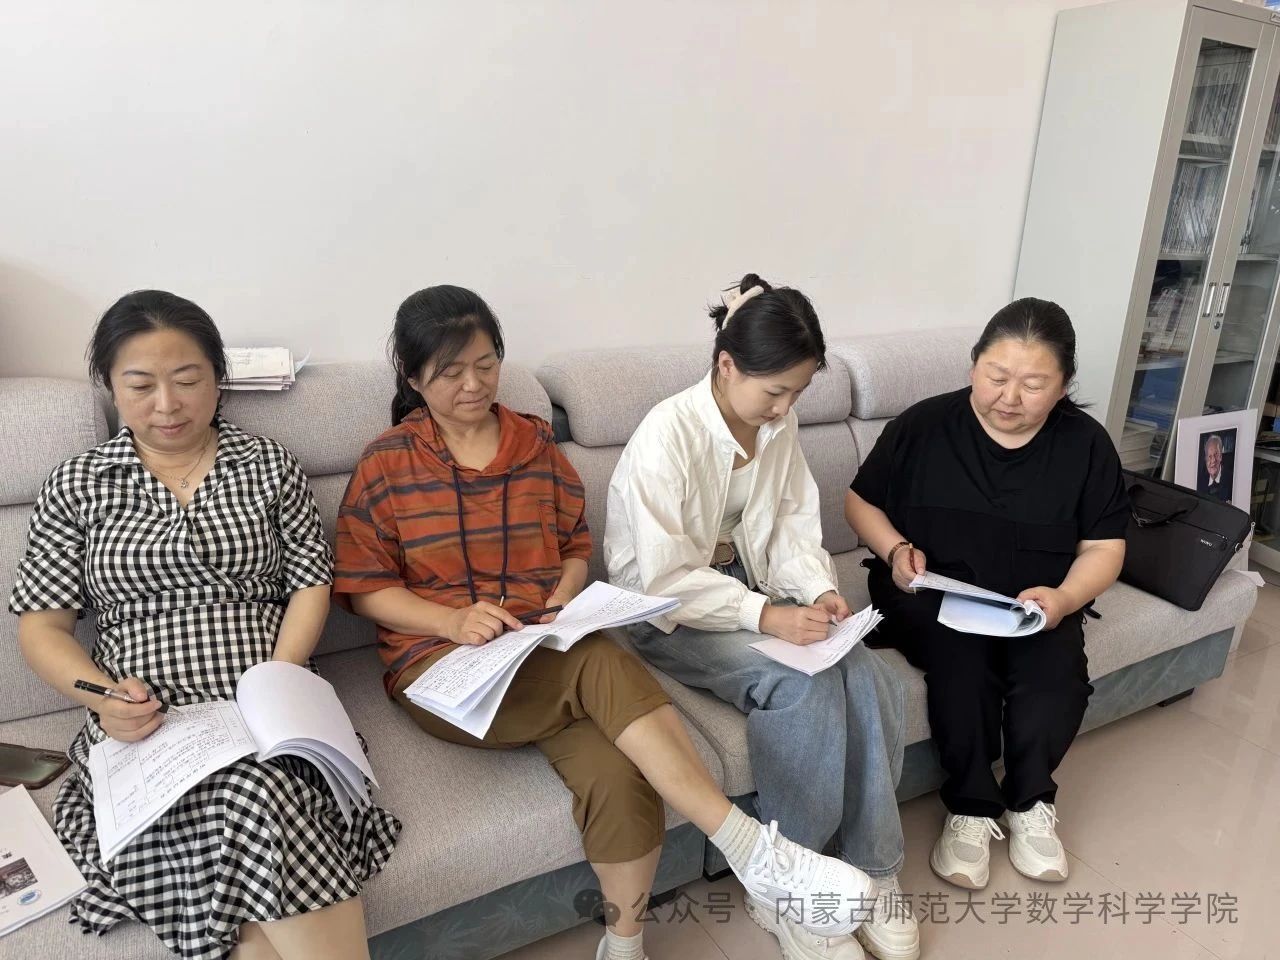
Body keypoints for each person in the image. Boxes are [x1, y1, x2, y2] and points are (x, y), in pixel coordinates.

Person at [333, 285, 876, 960]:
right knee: (599, 660)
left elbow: (573, 546)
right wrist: (450, 621)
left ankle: (623, 945)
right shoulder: (388, 462)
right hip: (445, 668)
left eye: (485, 364)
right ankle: (751, 850)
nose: (473, 384)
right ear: (414, 379)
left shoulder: (533, 442)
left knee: (621, 776)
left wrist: (563, 597)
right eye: (450, 372)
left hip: (538, 650)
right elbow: (363, 588)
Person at [9, 291, 401, 960]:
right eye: (141, 385)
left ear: (218, 378)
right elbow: (42, 627)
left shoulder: (269, 466)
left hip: (267, 708)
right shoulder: (77, 484)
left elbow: (311, 583)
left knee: (256, 788)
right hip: (149, 724)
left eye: (187, 380)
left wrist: (277, 681)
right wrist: (102, 698)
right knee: (254, 799)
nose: (167, 404)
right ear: (110, 386)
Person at [605, 274, 917, 960]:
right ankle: (787, 888)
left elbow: (792, 525)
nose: (784, 408)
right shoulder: (667, 435)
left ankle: (873, 865)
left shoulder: (779, 425)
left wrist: (817, 590)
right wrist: (767, 616)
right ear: (726, 364)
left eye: (797, 393)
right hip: (666, 611)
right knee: (804, 686)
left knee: (870, 676)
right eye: (775, 391)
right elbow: (662, 579)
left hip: (752, 589)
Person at [845, 297, 1128, 891]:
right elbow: (861, 502)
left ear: (1064, 386)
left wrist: (1064, 599)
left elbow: (1104, 547)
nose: (1010, 397)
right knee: (963, 664)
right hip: (930, 592)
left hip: (1034, 603)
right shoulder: (923, 426)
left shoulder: (1085, 445)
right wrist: (896, 551)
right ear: (974, 364)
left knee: (1055, 675)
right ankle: (971, 809)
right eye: (997, 376)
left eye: (1033, 385)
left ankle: (1030, 803)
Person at [1198, 432, 1234, 502]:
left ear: (1221, 456)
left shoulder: (1231, 479)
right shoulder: (1200, 481)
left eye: (1216, 455)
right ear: (1205, 459)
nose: (1213, 460)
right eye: (1209, 456)